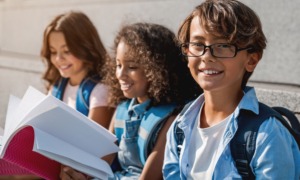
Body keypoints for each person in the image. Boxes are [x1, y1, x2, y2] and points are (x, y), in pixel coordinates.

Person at [163, 0, 300, 179]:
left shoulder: (266, 134)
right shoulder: (181, 124)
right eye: (197, 44)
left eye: (223, 45)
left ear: (251, 60)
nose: (207, 56)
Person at [60, 22, 202, 180]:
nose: (120, 74)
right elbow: (100, 163)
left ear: (157, 69)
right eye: (118, 65)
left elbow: (150, 177)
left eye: (132, 67)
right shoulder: (122, 109)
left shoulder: (171, 117)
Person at [40, 11, 114, 128]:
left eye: (67, 51)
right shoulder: (56, 87)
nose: (58, 59)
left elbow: (92, 142)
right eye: (53, 52)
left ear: (85, 47)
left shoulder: (100, 90)